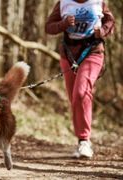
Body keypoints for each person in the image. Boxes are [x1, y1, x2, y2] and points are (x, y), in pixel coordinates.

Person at [45, 0, 115, 158]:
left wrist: (102, 31)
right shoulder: (63, 3)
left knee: (81, 93)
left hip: (93, 51)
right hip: (68, 55)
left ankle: (84, 141)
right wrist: (63, 24)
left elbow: (110, 21)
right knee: (75, 98)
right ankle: (81, 142)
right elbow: (48, 27)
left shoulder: (99, 2)